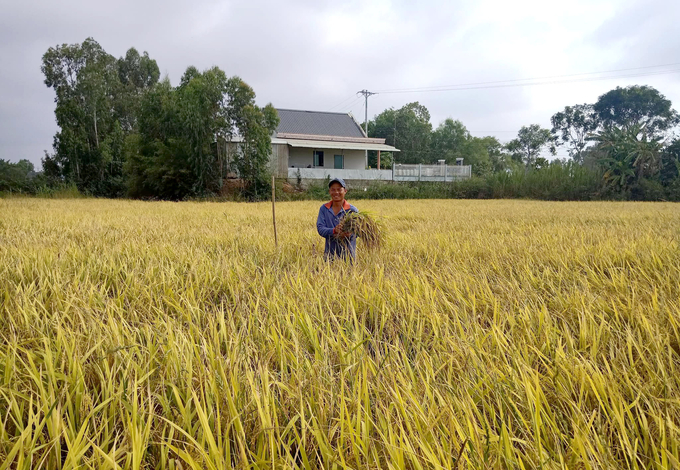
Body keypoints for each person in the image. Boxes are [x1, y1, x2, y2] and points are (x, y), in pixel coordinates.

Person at [316, 177, 358, 260]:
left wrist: (348, 235)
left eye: (339, 189)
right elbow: (320, 228)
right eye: (333, 190)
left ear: (345, 191)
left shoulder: (352, 210)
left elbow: (359, 232)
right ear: (329, 191)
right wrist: (334, 231)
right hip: (329, 257)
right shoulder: (324, 209)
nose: (336, 192)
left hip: (348, 257)